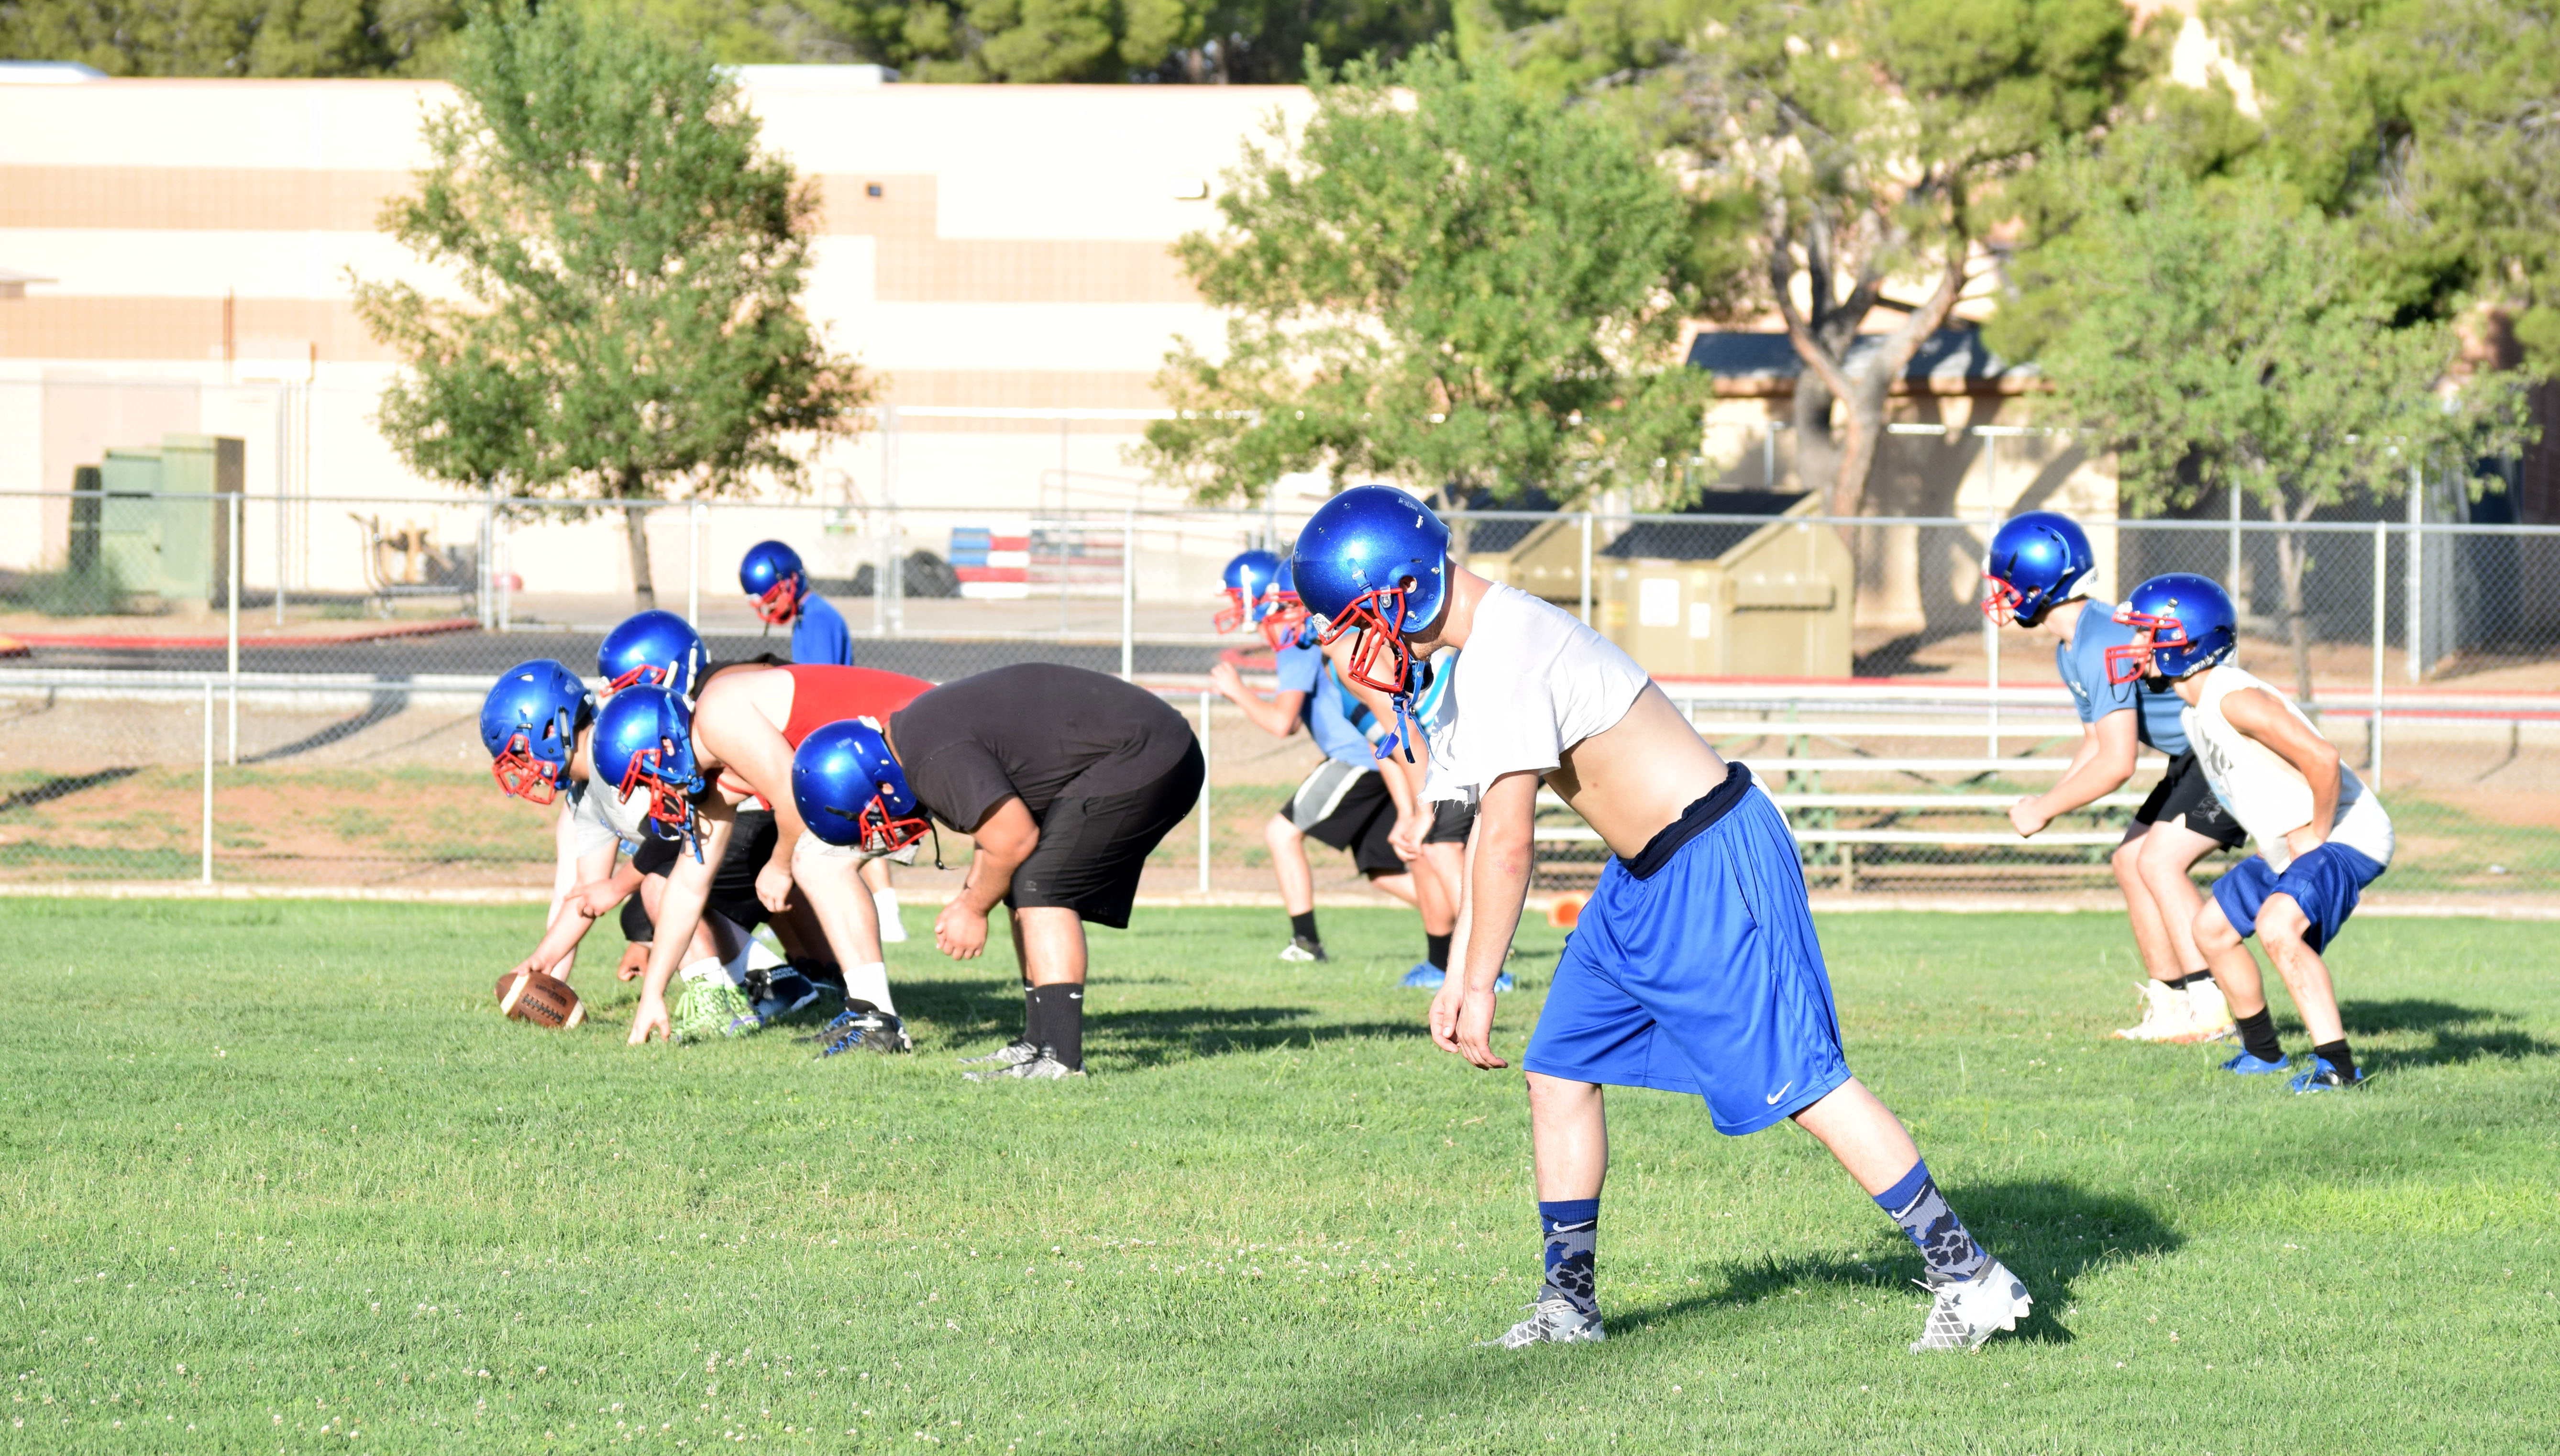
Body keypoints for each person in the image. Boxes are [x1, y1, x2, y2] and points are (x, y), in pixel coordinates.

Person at [1291, 485, 2029, 1353]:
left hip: (1709, 857)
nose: (1351, 644)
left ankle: (1968, 1273)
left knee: (1804, 1083)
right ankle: (1569, 1308)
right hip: (1641, 874)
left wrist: (1480, 983)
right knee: (1558, 1069)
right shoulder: (1477, 650)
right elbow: (1468, 817)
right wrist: (1457, 972)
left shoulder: (1505, 649)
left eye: (1354, 621)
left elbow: (1510, 842)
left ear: (1401, 590)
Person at [798, 663, 1204, 1081]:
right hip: (1142, 743)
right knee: (1024, 881)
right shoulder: (917, 738)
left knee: (1042, 887)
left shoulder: (930, 758)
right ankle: (1038, 1042)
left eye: (872, 816)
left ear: (880, 782)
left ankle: (1062, 1061)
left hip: (1147, 751)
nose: (886, 828)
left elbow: (1013, 839)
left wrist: (973, 908)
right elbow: (996, 834)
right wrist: (972, 895)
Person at [2110, 573, 2394, 1092]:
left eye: (2145, 633)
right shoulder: (2196, 712)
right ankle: (2263, 1053)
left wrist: (2317, 834)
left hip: (2347, 835)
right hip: (2293, 841)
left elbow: (2322, 757)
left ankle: (2338, 1068)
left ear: (2185, 641)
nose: (2133, 647)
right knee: (2210, 929)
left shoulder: (2232, 697)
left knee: (2276, 927)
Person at [566, 662, 931, 1051]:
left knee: (817, 863)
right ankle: (873, 1016)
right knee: (820, 861)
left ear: (667, 745)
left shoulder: (718, 714)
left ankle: (875, 1019)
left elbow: (793, 800)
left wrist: (779, 866)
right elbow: (687, 887)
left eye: (647, 778)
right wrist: (653, 994)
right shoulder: (714, 772)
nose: (655, 792)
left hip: (914, 735)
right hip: (878, 754)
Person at [1982, 512, 2245, 1042]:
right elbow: (2096, 743)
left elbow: (2119, 762)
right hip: (2191, 756)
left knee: (2158, 861)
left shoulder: (2100, 639)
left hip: (2227, 750)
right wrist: (2049, 799)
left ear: (2036, 584)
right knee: (2130, 862)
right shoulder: (2072, 647)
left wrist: (2044, 809)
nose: (2001, 598)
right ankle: (2171, 1005)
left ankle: (2211, 1004)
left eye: (2007, 585)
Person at [1206, 552, 1453, 974]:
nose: (1287, 616)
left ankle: (1306, 942)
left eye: (1287, 605)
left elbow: (1283, 723)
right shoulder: (1313, 640)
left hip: (1360, 757)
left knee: (1282, 833)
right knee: (1385, 868)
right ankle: (1466, 928)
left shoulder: (1306, 641)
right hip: (1379, 757)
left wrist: (1237, 691)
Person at [743, 538, 908, 946]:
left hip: (838, 733)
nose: (769, 607)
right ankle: (880, 912)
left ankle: (887, 913)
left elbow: (819, 685)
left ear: (791, 580)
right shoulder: (808, 617)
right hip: (838, 730)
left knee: (856, 820)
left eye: (772, 597)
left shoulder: (817, 620)